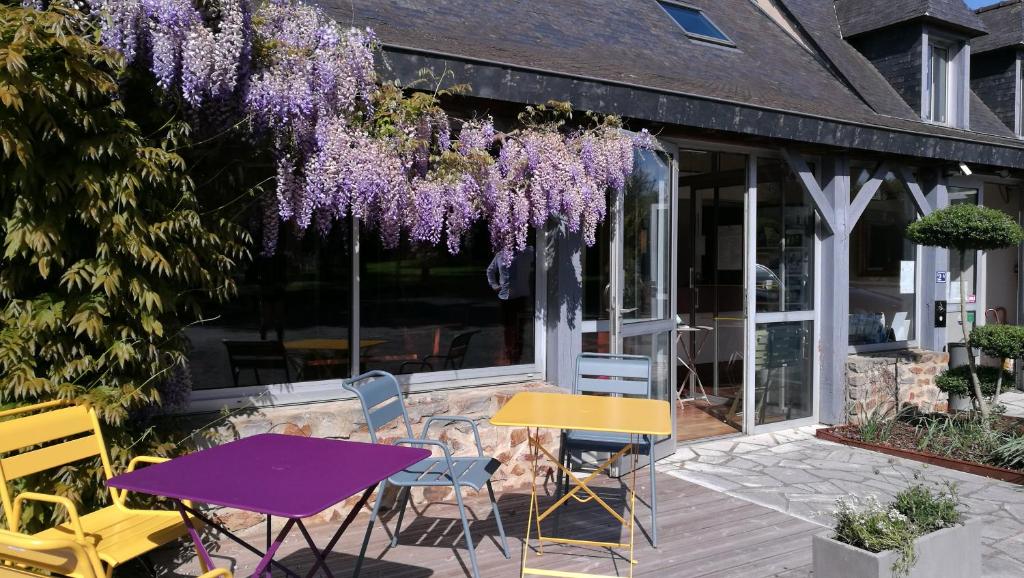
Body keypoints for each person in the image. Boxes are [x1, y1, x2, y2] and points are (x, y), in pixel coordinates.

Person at [487, 247, 534, 364]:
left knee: (520, 329)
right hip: (505, 297)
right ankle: (509, 355)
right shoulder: (500, 255)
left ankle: (517, 357)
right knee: (508, 327)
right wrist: (494, 286)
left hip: (521, 296)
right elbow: (490, 270)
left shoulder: (526, 252)